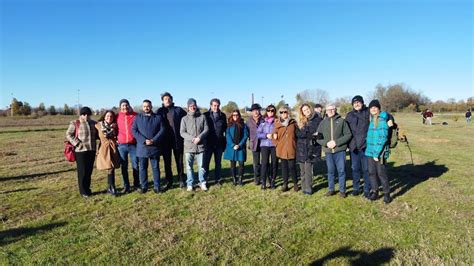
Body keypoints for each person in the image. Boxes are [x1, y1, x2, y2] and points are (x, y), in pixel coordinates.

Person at [316, 104, 352, 198]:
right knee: (330, 171)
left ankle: (342, 191)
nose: (330, 111)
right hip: (328, 152)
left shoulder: (341, 121)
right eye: (328, 110)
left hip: (340, 151)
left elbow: (348, 135)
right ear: (326, 111)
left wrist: (337, 142)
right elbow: (318, 137)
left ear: (335, 110)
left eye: (332, 109)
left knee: (341, 171)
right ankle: (331, 189)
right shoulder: (323, 123)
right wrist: (326, 143)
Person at [132, 99, 165, 194]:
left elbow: (162, 129)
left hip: (154, 147)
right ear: (142, 107)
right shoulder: (138, 118)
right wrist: (144, 140)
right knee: (142, 168)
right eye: (144, 106)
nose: (146, 107)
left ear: (151, 106)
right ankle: (144, 186)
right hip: (142, 148)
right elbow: (134, 130)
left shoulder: (158, 117)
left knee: (155, 167)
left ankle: (157, 186)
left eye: (148, 106)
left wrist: (153, 140)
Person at [156, 92, 187, 189]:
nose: (167, 100)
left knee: (179, 161)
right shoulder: (159, 111)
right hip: (165, 141)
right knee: (167, 162)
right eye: (165, 99)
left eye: (169, 98)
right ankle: (169, 181)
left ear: (172, 99)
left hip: (177, 140)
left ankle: (181, 179)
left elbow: (188, 119)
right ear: (162, 100)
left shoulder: (179, 110)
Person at [66, 106, 98, 198]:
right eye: (84, 114)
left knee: (89, 171)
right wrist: (77, 144)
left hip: (91, 150)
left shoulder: (93, 123)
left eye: (88, 114)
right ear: (81, 115)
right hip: (80, 151)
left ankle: (88, 189)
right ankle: (83, 191)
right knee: (82, 172)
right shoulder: (75, 123)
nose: (86, 116)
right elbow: (68, 134)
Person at [365, 100, 392, 204]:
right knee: (371, 172)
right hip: (370, 151)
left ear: (379, 108)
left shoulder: (382, 119)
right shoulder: (372, 119)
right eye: (371, 108)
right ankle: (375, 191)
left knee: (381, 173)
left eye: (375, 107)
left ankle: (386, 194)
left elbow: (383, 137)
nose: (373, 109)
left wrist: (376, 153)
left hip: (378, 153)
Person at [180, 98, 209, 192]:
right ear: (188, 107)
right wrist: (192, 139)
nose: (193, 107)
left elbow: (206, 129)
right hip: (189, 147)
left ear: (196, 106)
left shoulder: (202, 117)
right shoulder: (184, 119)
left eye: (194, 105)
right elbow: (182, 132)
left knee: (202, 167)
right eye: (190, 106)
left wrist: (199, 137)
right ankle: (190, 183)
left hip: (200, 147)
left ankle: (202, 182)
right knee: (189, 167)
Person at [345, 95, 371, 197]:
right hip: (353, 147)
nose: (357, 104)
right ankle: (356, 188)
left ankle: (366, 188)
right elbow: (344, 129)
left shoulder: (368, 112)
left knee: (366, 169)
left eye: (358, 102)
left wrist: (390, 118)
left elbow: (382, 114)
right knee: (355, 168)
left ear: (362, 103)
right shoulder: (349, 115)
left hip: (365, 146)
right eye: (355, 103)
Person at [296, 103, 322, 195]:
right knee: (302, 170)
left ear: (310, 109)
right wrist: (310, 135)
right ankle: (303, 187)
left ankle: (309, 188)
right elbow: (298, 134)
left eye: (307, 109)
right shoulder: (300, 121)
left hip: (312, 147)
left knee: (308, 170)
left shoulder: (318, 119)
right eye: (304, 110)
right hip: (301, 148)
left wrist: (313, 135)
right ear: (302, 112)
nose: (306, 111)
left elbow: (319, 134)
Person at [95, 110, 121, 196]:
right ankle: (111, 187)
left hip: (113, 148)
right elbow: (94, 136)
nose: (109, 118)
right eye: (107, 116)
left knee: (112, 167)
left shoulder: (115, 126)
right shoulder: (98, 126)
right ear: (104, 116)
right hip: (104, 148)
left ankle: (111, 187)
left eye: (111, 116)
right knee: (109, 167)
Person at [116, 99, 139, 193]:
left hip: (133, 145)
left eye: (126, 105)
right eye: (123, 106)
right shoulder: (117, 116)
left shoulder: (135, 115)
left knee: (136, 165)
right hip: (121, 145)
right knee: (124, 166)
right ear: (120, 107)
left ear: (129, 106)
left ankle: (137, 184)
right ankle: (126, 186)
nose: (125, 107)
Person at [273, 105, 298, 192]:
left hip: (291, 148)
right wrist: (277, 145)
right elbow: (274, 136)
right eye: (281, 112)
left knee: (292, 167)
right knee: (284, 168)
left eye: (285, 112)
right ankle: (285, 184)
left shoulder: (293, 123)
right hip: (282, 149)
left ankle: (295, 183)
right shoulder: (277, 124)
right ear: (279, 114)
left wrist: (296, 144)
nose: (283, 114)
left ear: (288, 113)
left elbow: (297, 135)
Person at [203, 98, 227, 186]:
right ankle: (204, 180)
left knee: (218, 163)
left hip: (219, 143)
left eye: (217, 105)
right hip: (208, 143)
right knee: (206, 163)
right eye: (214, 105)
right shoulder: (205, 115)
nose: (216, 107)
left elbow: (225, 129)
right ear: (210, 106)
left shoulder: (223, 116)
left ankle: (217, 180)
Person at [223, 109, 249, 186]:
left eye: (237, 115)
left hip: (240, 147)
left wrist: (240, 145)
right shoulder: (229, 125)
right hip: (232, 147)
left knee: (241, 164)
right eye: (234, 115)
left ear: (239, 115)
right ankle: (234, 179)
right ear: (232, 116)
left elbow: (245, 135)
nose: (235, 116)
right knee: (233, 164)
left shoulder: (243, 125)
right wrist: (232, 145)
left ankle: (240, 179)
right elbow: (227, 135)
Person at [257, 104, 278, 190]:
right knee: (264, 163)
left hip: (274, 145)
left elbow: (280, 132)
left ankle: (272, 180)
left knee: (274, 163)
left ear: (274, 112)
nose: (270, 112)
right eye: (268, 110)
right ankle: (263, 182)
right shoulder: (262, 122)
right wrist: (266, 135)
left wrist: (277, 135)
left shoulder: (277, 122)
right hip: (264, 145)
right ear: (266, 111)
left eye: (272, 110)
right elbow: (258, 134)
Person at [246, 103, 264, 185]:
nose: (256, 112)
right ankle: (257, 179)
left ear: (259, 110)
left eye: (257, 110)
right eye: (254, 110)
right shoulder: (248, 120)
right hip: (254, 143)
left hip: (264, 143)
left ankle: (265, 178)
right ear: (251, 112)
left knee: (264, 162)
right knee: (256, 163)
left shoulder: (264, 119)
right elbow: (246, 132)